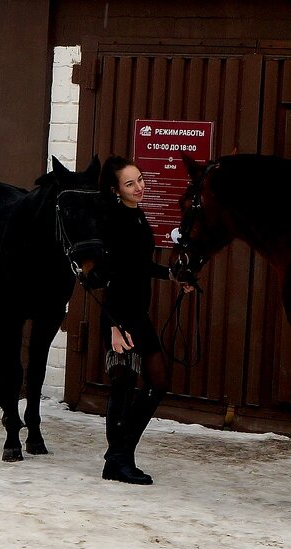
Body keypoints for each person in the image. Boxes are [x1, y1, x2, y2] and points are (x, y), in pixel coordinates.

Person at [97, 156, 193, 484]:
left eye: (139, 180)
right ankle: (119, 460)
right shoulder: (112, 220)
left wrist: (172, 275)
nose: (139, 187)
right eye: (130, 183)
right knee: (122, 386)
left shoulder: (136, 216)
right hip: (118, 316)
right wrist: (112, 326)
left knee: (158, 383)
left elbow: (140, 265)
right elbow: (108, 276)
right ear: (115, 190)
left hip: (137, 315)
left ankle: (120, 454)